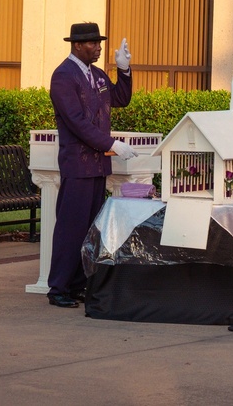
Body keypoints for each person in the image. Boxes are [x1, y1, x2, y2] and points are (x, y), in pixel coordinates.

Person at [46, 22, 137, 308]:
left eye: (98, 43)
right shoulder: (63, 76)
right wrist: (111, 144)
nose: (98, 48)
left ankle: (76, 285)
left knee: (88, 230)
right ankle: (57, 287)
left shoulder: (96, 74)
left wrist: (123, 70)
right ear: (77, 45)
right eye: (93, 44)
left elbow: (120, 99)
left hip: (97, 166)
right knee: (70, 229)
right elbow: (76, 122)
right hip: (77, 165)